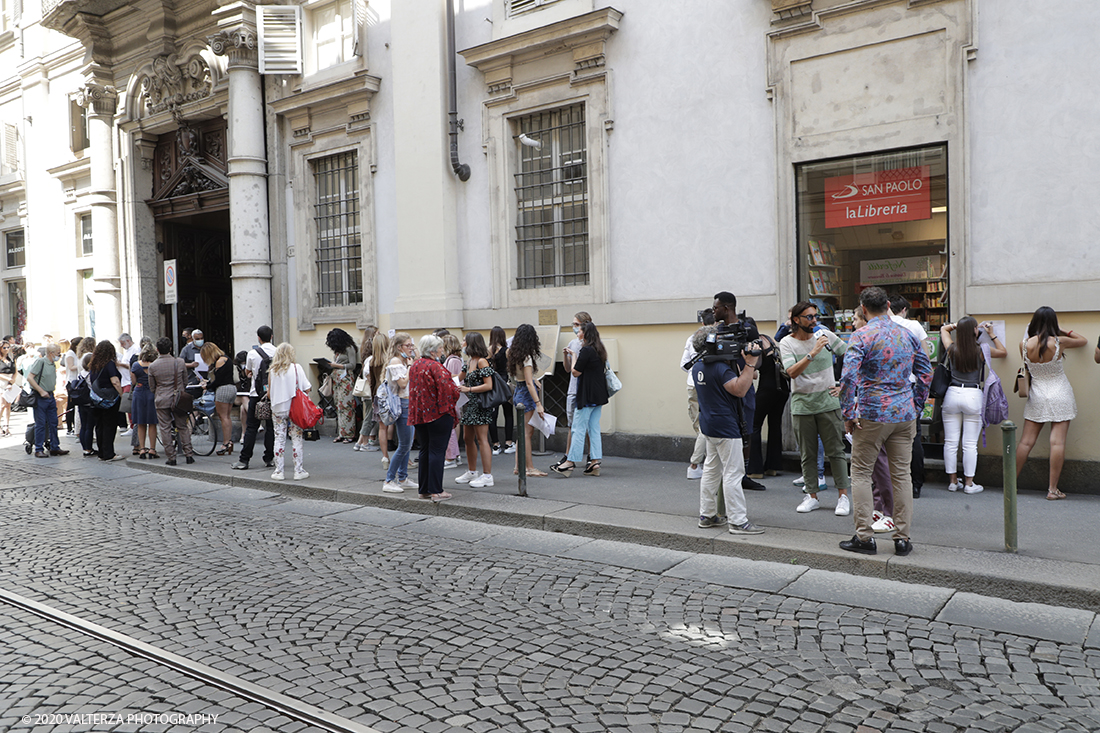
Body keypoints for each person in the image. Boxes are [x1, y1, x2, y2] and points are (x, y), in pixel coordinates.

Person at [839, 287, 932, 557]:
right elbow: (926, 373)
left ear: (863, 309)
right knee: (901, 475)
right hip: (903, 413)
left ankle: (865, 537)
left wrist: (848, 412)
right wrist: (915, 404)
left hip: (872, 413)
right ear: (888, 305)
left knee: (861, 473)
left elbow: (848, 379)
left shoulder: (862, 335)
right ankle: (902, 538)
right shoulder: (907, 333)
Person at [689, 324, 765, 534]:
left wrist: (745, 369)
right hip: (726, 428)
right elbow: (740, 390)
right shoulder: (720, 368)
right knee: (733, 473)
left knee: (712, 471)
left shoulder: (698, 366)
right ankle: (738, 522)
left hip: (709, 426)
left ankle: (707, 515)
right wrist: (750, 364)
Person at [779, 301, 852, 516]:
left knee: (836, 452)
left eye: (815, 316)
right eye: (809, 317)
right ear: (796, 320)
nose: (814, 321)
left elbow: (850, 356)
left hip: (828, 402)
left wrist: (844, 384)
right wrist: (813, 352)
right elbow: (791, 372)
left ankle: (843, 497)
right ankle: (812, 496)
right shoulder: (786, 343)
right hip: (802, 404)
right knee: (807, 453)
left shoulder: (825, 335)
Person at [1016, 307, 1087, 500]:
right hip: (1060, 393)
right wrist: (1063, 330)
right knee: (1057, 442)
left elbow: (1026, 368)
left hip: (1037, 394)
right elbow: (1083, 341)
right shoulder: (1059, 342)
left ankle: (1010, 482)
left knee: (1025, 441)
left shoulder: (1023, 344)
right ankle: (1052, 489)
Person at [938, 317, 1007, 494]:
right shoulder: (982, 350)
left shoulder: (951, 348)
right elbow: (1003, 352)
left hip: (952, 395)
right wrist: (991, 334)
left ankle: (953, 482)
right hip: (973, 396)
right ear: (974, 331)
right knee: (969, 444)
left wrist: (958, 326)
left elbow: (944, 330)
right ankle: (969, 484)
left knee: (951, 442)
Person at [712, 292, 766, 493]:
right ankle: (727, 474)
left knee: (747, 429)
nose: (713, 310)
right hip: (723, 386)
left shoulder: (748, 330)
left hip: (743, 385)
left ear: (726, 308)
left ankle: (743, 474)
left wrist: (749, 365)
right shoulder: (716, 331)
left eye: (716, 307)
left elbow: (759, 358)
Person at [551, 321, 610, 478]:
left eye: (579, 330)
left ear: (585, 333)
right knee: (594, 428)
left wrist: (574, 356)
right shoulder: (600, 349)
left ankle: (570, 462)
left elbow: (575, 372)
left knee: (577, 427)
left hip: (587, 395)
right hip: (599, 395)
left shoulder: (586, 350)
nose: (577, 332)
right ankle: (595, 462)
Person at [408, 334, 461, 501]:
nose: (442, 351)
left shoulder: (415, 365)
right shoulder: (436, 366)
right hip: (437, 414)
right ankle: (437, 491)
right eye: (440, 348)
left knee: (425, 450)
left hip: (420, 414)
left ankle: (424, 489)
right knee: (437, 451)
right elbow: (448, 390)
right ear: (432, 351)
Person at [888, 294, 930, 498]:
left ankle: (888, 483)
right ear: (904, 309)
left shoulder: (878, 325)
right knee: (913, 437)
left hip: (886, 390)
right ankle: (915, 484)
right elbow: (925, 361)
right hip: (910, 387)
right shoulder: (914, 326)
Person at [232, 326, 276, 471]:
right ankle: (269, 458)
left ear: (259, 338)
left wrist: (251, 374)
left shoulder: (252, 353)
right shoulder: (278, 352)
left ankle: (244, 460)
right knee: (271, 427)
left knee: (251, 427)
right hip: (272, 395)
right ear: (271, 336)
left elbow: (247, 372)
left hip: (256, 395)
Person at [747, 327, 788, 480]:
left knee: (754, 425)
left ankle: (755, 469)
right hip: (782, 388)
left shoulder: (754, 344)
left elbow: (754, 371)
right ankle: (773, 466)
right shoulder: (767, 338)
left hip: (767, 388)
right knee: (775, 424)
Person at [266, 342, 311, 480]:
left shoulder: (272, 371)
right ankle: (298, 470)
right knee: (296, 439)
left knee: (279, 439)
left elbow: (269, 394)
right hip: (294, 409)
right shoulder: (297, 368)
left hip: (278, 409)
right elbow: (307, 388)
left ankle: (279, 471)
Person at [456, 332, 496, 487]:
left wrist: (469, 389)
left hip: (480, 404)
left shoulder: (481, 362)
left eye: (464, 341)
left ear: (471, 343)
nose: (462, 343)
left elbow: (489, 385)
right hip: (469, 404)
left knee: (482, 439)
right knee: (467, 438)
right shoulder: (469, 361)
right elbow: (458, 377)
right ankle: (472, 471)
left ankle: (487, 475)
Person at [508, 323, 547, 478]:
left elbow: (520, 377)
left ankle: (518, 466)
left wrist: (532, 378)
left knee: (522, 433)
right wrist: (538, 404)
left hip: (518, 390)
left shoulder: (511, 353)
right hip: (526, 393)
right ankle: (529, 468)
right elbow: (529, 383)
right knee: (527, 433)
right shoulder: (527, 357)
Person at [682, 309, 716, 480]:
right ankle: (695, 463)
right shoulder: (718, 337)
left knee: (699, 425)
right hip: (709, 384)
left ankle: (698, 463)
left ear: (702, 323)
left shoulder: (692, 338)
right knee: (705, 426)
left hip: (692, 383)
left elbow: (684, 364)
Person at [147, 337, 193, 466]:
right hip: (178, 398)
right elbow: (184, 381)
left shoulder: (153, 366)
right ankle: (189, 454)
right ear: (170, 349)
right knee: (183, 426)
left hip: (161, 399)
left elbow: (152, 387)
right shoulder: (180, 362)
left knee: (165, 428)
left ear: (157, 350)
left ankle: (171, 457)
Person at [382, 332, 418, 493]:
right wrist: (410, 366)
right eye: (408, 345)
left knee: (408, 444)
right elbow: (403, 384)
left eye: (412, 345)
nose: (411, 348)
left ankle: (402, 478)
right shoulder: (396, 361)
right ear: (399, 347)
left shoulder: (404, 360)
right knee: (404, 445)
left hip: (409, 403)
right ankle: (389, 480)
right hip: (402, 404)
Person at [560, 312, 593, 468]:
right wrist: (567, 356)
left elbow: (579, 369)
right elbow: (568, 370)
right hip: (573, 388)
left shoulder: (591, 345)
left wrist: (574, 358)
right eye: (573, 324)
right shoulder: (573, 343)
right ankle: (568, 456)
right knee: (571, 425)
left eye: (576, 324)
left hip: (585, 389)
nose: (574, 327)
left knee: (587, 426)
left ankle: (591, 456)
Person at [26, 344, 68, 458]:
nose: (59, 355)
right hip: (41, 397)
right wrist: (41, 391)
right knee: (40, 424)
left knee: (53, 422)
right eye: (58, 353)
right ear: (51, 353)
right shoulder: (41, 362)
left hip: (50, 395)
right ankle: (38, 449)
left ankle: (55, 447)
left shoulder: (52, 364)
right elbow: (30, 377)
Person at [87, 340, 126, 461]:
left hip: (96, 399)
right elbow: (115, 381)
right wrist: (121, 394)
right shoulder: (109, 364)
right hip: (110, 399)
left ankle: (102, 453)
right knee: (110, 425)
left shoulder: (93, 365)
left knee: (99, 426)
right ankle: (109, 453)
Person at [356, 331, 390, 457]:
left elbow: (371, 381)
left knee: (381, 426)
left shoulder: (372, 361)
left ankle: (384, 456)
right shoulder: (389, 361)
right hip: (385, 395)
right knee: (371, 419)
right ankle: (364, 442)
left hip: (375, 394)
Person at [201, 341, 236, 456]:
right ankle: (229, 441)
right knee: (227, 417)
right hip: (232, 389)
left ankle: (226, 443)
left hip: (223, 390)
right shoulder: (227, 359)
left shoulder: (219, 362)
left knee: (223, 417)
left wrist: (207, 386)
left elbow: (219, 381)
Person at [325, 328, 359, 443]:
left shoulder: (349, 348)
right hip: (338, 379)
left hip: (346, 378)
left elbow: (352, 365)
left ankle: (349, 434)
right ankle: (341, 433)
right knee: (339, 406)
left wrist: (337, 366)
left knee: (347, 406)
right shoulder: (338, 350)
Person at [487, 326, 514, 455]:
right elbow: (511, 368)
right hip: (505, 384)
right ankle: (508, 443)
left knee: (493, 415)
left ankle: (495, 445)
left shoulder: (488, 351)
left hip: (492, 384)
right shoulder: (507, 351)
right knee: (508, 413)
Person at [130, 342, 159, 459]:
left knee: (140, 422)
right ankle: (152, 449)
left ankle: (142, 449)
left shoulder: (136, 365)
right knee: (152, 423)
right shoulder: (156, 365)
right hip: (152, 393)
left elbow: (133, 382)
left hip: (139, 392)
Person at [354, 326, 380, 451]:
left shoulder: (365, 356)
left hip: (367, 393)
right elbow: (369, 375)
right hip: (369, 393)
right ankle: (364, 443)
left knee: (369, 417)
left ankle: (360, 442)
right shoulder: (371, 359)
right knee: (370, 418)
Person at [440, 333, 464, 468]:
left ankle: (452, 456)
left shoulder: (453, 360)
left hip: (451, 397)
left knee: (450, 427)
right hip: (453, 397)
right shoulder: (454, 359)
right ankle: (455, 455)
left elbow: (454, 378)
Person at [77, 352, 96, 456]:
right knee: (89, 426)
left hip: (81, 401)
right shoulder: (92, 374)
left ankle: (85, 448)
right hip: (90, 401)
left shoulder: (81, 373)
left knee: (83, 426)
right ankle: (88, 449)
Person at [0, 342, 15, 435]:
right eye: (4, 347)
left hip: (10, 382)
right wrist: (8, 379)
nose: (6, 349)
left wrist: (12, 380)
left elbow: (15, 370)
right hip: (2, 382)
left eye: (8, 347)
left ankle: (6, 425)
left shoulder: (11, 359)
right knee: (2, 404)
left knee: (8, 405)